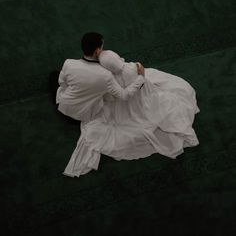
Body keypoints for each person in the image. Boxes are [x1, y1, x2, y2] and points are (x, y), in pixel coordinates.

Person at [62, 50, 200, 178]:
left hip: (123, 105)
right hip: (143, 98)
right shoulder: (135, 67)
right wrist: (140, 77)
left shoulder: (108, 80)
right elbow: (141, 86)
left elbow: (111, 98)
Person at [56, 32, 145, 123]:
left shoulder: (68, 63)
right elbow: (124, 95)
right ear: (97, 51)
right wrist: (141, 77)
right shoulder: (106, 76)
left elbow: (62, 84)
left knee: (55, 75)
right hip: (80, 116)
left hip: (63, 106)